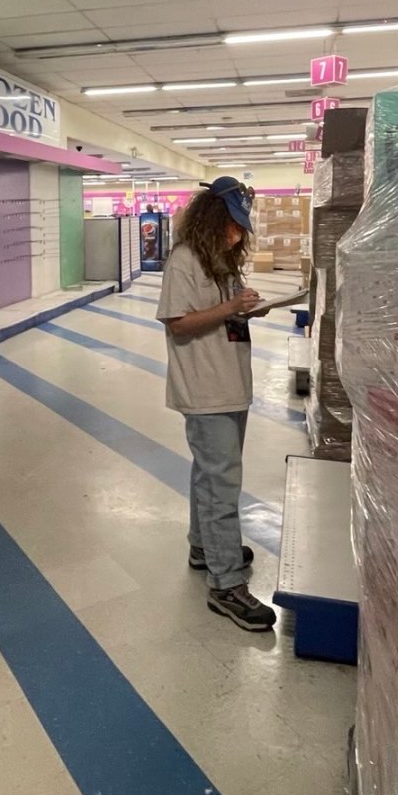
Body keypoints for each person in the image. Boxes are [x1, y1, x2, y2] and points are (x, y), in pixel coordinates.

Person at [156, 177, 276, 632]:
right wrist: (229, 310)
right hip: (205, 389)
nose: (239, 235)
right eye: (233, 226)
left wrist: (246, 308)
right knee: (223, 483)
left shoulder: (221, 263)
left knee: (210, 472)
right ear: (212, 221)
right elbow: (179, 324)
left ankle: (204, 547)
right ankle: (226, 584)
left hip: (230, 383)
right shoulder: (185, 261)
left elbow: (224, 313)